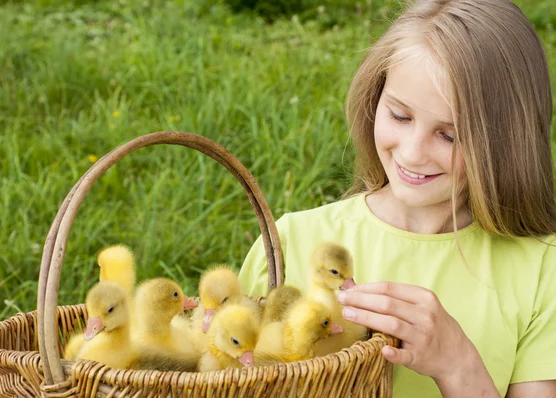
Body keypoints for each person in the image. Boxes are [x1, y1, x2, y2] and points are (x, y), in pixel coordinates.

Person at [237, 0, 556, 397]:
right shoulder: (293, 240)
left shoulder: (542, 270)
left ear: (508, 143)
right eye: (400, 117)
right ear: (375, 99)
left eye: (449, 135)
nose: (411, 152)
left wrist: (458, 365)